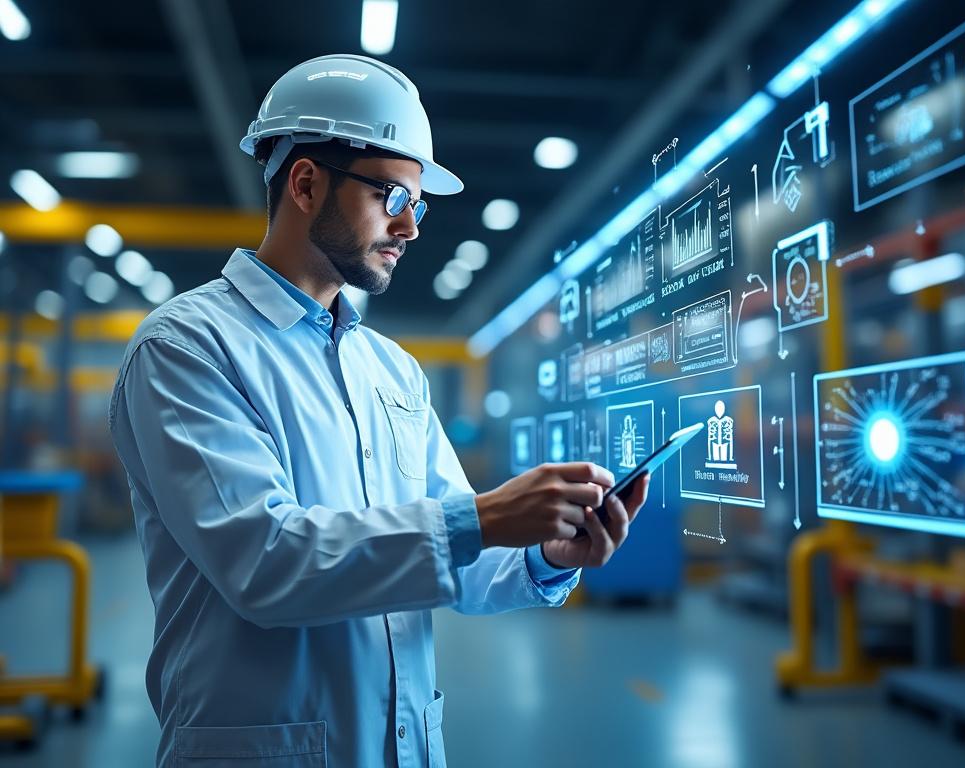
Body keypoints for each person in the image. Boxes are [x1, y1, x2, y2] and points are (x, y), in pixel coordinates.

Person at [109, 54, 650, 767]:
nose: (410, 228)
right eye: (393, 197)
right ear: (306, 183)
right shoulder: (188, 347)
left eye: (417, 206)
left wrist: (547, 553)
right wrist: (486, 517)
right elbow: (265, 564)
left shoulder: (391, 369)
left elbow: (460, 556)